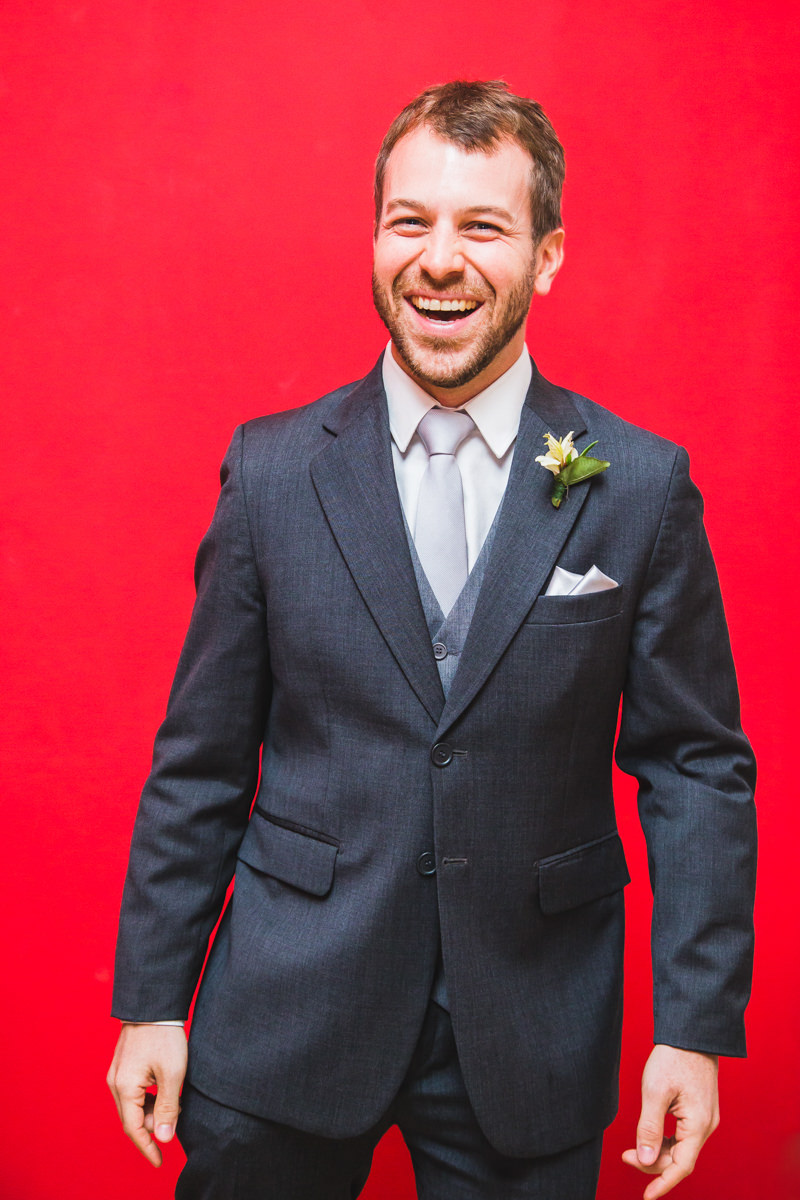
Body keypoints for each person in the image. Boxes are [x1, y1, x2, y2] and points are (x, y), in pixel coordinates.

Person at [107, 80, 756, 1200]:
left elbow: (696, 765)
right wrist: (154, 1000)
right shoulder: (271, 472)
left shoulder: (641, 485)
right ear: (375, 238)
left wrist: (692, 1027)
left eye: (483, 226)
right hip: (287, 1011)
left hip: (531, 1026)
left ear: (547, 257)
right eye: (410, 221)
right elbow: (200, 760)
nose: (438, 260)